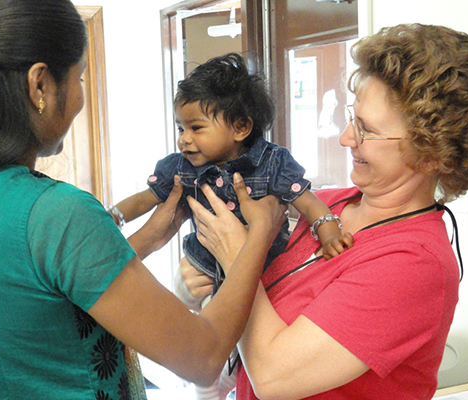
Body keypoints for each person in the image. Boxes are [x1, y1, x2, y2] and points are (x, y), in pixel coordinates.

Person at [0, 1, 289, 399]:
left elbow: (33, 290)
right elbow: (202, 359)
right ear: (40, 84)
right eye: (79, 78)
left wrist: (148, 238)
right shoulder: (56, 214)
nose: (79, 97)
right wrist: (259, 233)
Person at [180, 23, 468, 399]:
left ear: (432, 153)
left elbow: (274, 378)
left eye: (366, 129)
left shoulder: (414, 264)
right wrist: (193, 281)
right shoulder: (329, 203)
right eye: (351, 117)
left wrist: (236, 254)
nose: (345, 138)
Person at [113, 53, 353, 291]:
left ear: (240, 128)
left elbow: (309, 203)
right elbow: (145, 199)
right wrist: (112, 217)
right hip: (205, 273)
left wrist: (330, 234)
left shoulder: (273, 163)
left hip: (265, 272)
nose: (183, 139)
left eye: (196, 128)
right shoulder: (180, 166)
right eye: (180, 128)